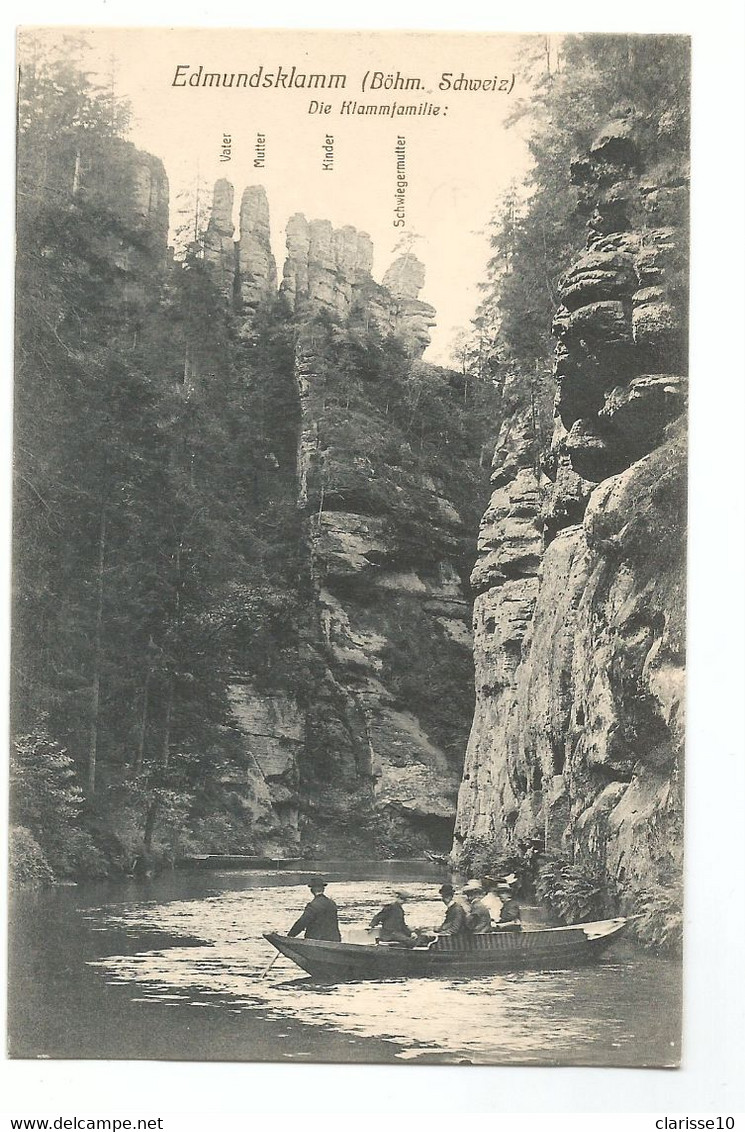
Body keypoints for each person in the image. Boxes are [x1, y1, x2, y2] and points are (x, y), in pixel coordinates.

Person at [287, 877, 341, 941]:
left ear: (312, 890)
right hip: (335, 940)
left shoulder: (313, 906)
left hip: (316, 940)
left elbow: (302, 922)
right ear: (323, 889)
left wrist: (290, 936)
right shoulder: (332, 903)